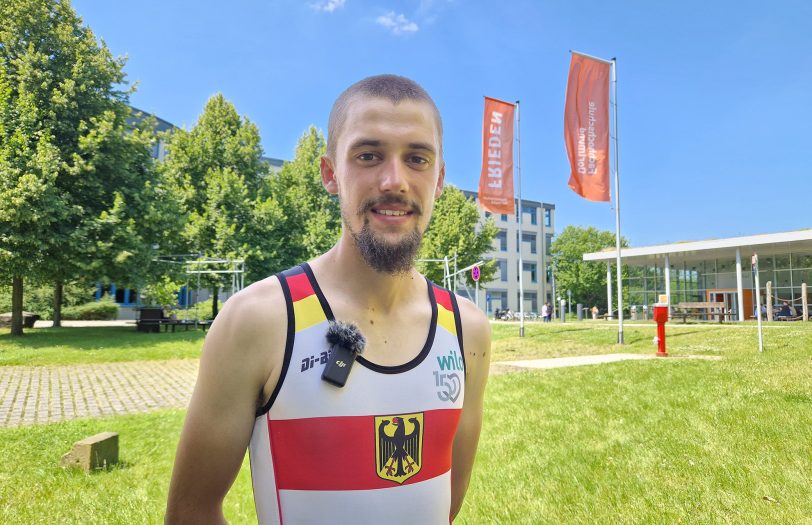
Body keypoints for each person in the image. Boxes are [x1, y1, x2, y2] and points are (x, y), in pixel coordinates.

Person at [165, 75, 491, 525]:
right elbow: (191, 513)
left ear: (438, 179)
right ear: (330, 173)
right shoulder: (259, 320)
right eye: (368, 155)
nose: (394, 180)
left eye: (417, 158)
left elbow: (446, 506)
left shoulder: (467, 330)